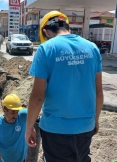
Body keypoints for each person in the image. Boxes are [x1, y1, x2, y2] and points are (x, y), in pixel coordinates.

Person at [25, 10, 104, 162]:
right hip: (85, 126)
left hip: (56, 129)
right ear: (68, 27)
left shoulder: (46, 49)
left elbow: (37, 97)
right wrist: (96, 120)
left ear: (46, 32)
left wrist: (29, 128)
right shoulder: (92, 48)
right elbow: (99, 92)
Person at [0, 94, 28, 162]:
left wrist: (32, 127)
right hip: (4, 160)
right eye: (12, 112)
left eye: (17, 112)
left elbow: (37, 110)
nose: (15, 115)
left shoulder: (22, 115)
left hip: (22, 160)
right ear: (4, 110)